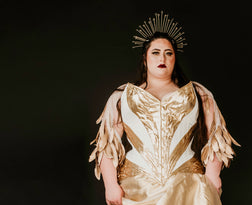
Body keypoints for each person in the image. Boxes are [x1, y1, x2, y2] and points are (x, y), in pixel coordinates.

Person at [89, 11, 240, 205]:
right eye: (156, 52)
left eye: (169, 53)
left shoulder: (198, 94)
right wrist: (110, 185)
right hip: (136, 190)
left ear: (175, 58)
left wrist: (213, 176)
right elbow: (106, 145)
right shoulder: (122, 97)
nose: (163, 58)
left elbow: (216, 139)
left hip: (189, 190)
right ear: (145, 58)